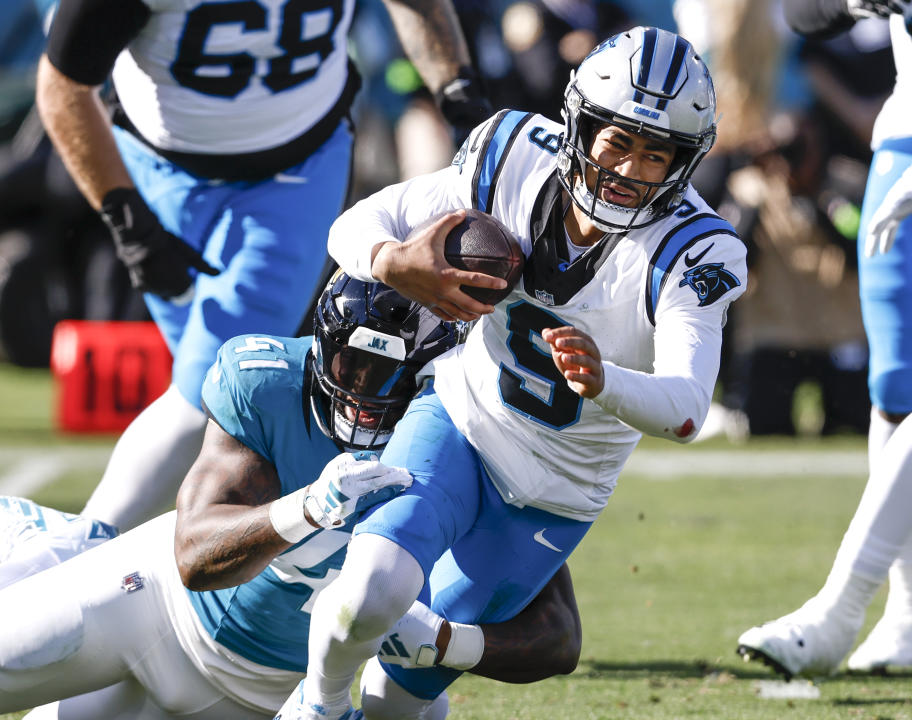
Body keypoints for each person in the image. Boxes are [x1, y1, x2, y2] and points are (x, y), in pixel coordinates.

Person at [275, 26, 747, 720]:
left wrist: (604, 382)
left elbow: (685, 407)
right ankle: (313, 709)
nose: (628, 168)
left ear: (684, 163)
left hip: (554, 492)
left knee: (394, 696)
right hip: (462, 423)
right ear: (578, 124)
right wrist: (390, 259)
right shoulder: (513, 158)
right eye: (617, 139)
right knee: (365, 597)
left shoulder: (693, 251)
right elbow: (357, 223)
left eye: (656, 154)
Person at [0, 273, 581, 719]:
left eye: (394, 375)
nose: (364, 391)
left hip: (274, 694)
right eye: (352, 366)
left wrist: (448, 643)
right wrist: (304, 509)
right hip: (158, 609)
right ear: (323, 343)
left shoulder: (474, 439)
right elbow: (194, 556)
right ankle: (59, 550)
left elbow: (556, 636)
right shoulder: (266, 381)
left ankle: (56, 550)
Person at [35, 0, 492, 538]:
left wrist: (458, 95)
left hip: (297, 173)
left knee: (204, 391)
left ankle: (75, 552)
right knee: (208, 402)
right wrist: (129, 220)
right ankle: (186, 579)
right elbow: (62, 87)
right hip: (157, 174)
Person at [736, 0, 912, 678]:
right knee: (894, 390)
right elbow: (802, 18)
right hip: (897, 146)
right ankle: (904, 614)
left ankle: (841, 607)